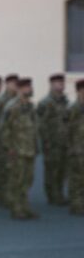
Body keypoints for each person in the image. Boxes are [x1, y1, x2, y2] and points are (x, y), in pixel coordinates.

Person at [0, 77, 40, 220]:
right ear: (19, 89)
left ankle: (25, 206)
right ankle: (17, 208)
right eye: (25, 87)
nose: (29, 89)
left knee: (27, 180)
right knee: (17, 180)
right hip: (17, 150)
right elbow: (4, 129)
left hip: (29, 149)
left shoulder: (30, 106)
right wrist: (9, 147)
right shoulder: (12, 107)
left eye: (29, 87)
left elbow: (34, 128)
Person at [36, 73, 69, 206]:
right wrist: (46, 142)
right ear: (51, 84)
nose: (60, 85)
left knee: (62, 170)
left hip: (64, 142)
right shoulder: (45, 103)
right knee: (52, 170)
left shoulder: (66, 102)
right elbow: (40, 124)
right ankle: (52, 195)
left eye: (62, 82)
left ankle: (59, 194)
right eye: (57, 82)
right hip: (51, 142)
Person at [65, 79, 84, 216]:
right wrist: (70, 147)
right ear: (79, 91)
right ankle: (76, 204)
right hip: (76, 149)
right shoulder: (73, 109)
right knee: (76, 178)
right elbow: (65, 130)